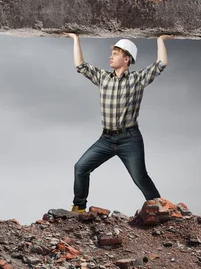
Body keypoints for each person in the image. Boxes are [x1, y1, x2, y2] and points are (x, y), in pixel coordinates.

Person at [60, 32, 174, 213]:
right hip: (106, 139)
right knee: (80, 167)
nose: (110, 57)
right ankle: (79, 208)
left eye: (115, 54)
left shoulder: (138, 79)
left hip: (130, 139)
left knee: (140, 177)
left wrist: (160, 40)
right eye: (112, 53)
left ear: (126, 59)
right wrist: (76, 39)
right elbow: (80, 66)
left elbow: (161, 64)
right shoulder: (103, 77)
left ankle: (161, 209)